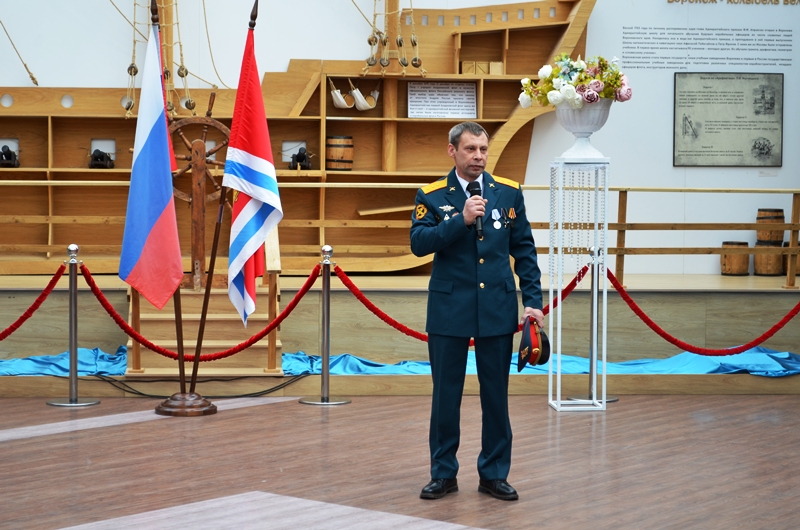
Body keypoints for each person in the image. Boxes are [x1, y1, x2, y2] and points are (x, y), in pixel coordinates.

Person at [410, 121, 544, 501]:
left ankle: (494, 474)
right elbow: (419, 243)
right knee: (445, 395)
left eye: (483, 149)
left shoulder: (509, 193)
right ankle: (443, 473)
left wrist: (532, 301)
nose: (479, 156)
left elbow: (524, 250)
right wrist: (462, 220)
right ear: (452, 151)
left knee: (496, 395)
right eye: (470, 149)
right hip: (449, 308)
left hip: (497, 307)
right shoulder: (432, 195)